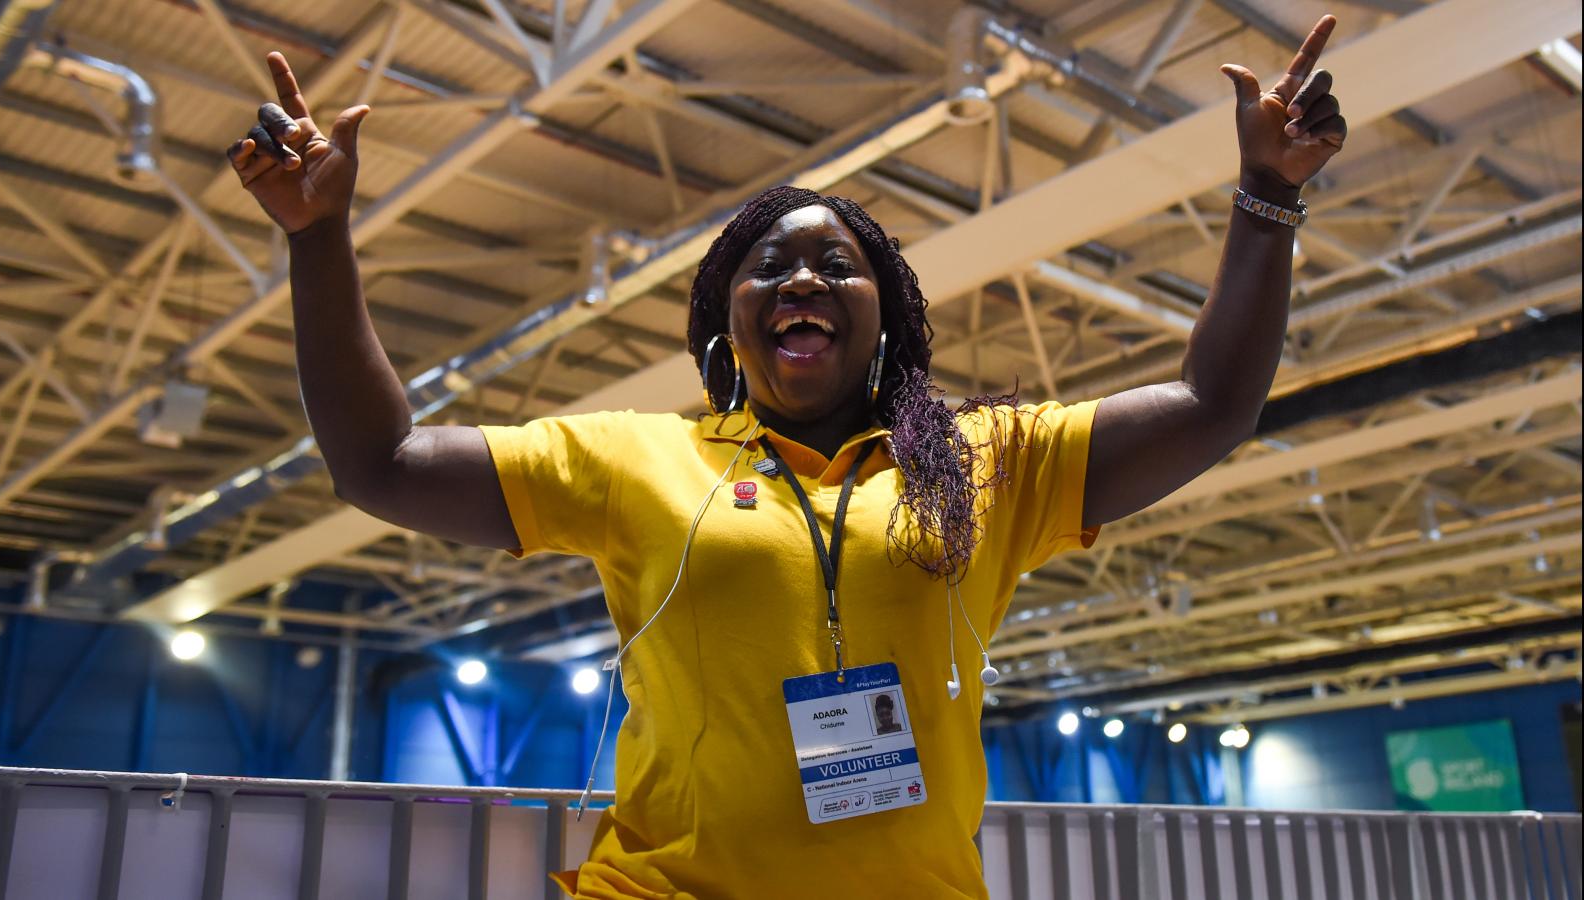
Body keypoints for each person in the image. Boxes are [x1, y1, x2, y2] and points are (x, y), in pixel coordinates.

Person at [228, 15, 1345, 899]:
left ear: (887, 317)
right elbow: (377, 464)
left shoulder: (984, 461)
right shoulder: (637, 460)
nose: (800, 280)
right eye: (767, 267)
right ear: (729, 319)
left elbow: (1211, 404)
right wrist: (318, 238)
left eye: (833, 264)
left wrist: (1269, 196)